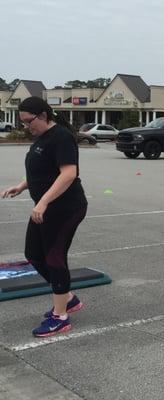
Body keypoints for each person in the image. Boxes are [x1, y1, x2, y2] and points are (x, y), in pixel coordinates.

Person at [1, 97, 88, 337]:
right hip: (45, 208)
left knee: (54, 257)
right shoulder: (43, 139)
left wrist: (44, 201)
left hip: (66, 208)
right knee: (33, 254)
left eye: (28, 122)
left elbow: (69, 173)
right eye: (23, 123)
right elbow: (42, 171)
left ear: (42, 115)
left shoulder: (61, 137)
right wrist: (21, 186)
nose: (26, 127)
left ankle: (61, 317)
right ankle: (68, 298)